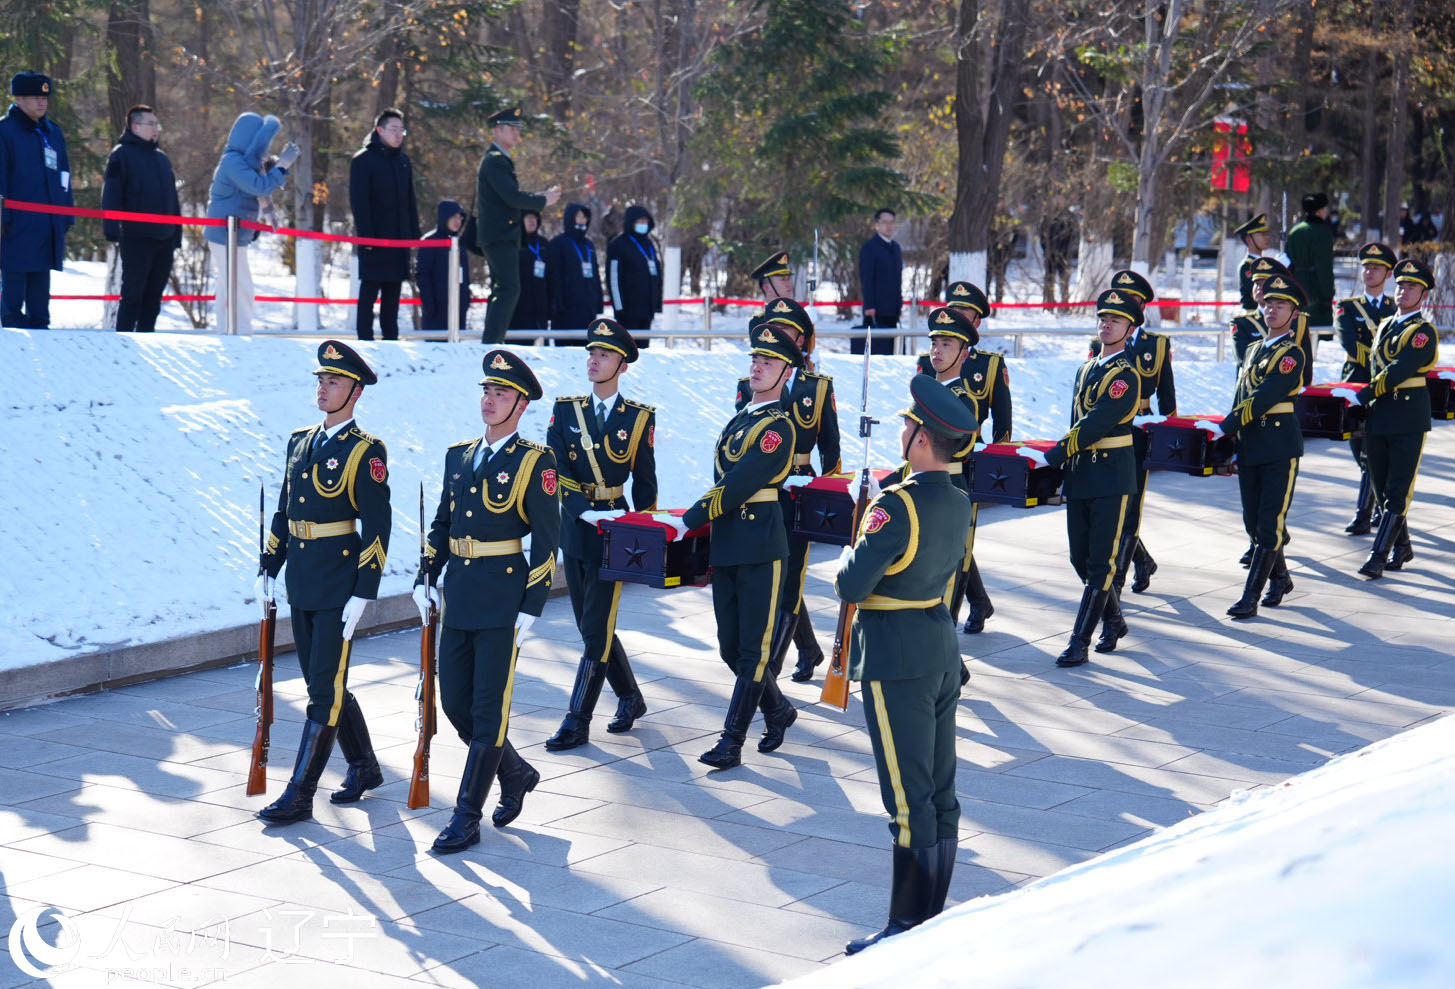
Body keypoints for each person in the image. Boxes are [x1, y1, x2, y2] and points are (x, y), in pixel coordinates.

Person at [835, 373, 976, 956]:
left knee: (906, 794)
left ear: (921, 438)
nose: (900, 430)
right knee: (940, 788)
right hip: (939, 647)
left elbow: (851, 582)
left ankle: (904, 927)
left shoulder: (895, 507)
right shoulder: (957, 499)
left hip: (895, 659)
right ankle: (931, 915)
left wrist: (855, 541)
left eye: (904, 425)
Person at [414, 350, 561, 852]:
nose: (489, 400)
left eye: (500, 393)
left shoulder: (534, 461)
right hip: (459, 593)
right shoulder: (459, 455)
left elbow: (546, 540)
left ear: (521, 404)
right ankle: (515, 771)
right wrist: (426, 574)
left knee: (488, 710)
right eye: (486, 391)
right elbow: (442, 523)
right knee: (456, 705)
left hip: (502, 596)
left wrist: (531, 605)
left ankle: (465, 816)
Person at [255, 341, 392, 824]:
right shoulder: (299, 441)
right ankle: (364, 766)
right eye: (320, 380)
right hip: (303, 581)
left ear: (354, 392)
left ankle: (299, 793)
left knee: (322, 691)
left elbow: (378, 526)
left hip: (338, 583)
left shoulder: (365, 450)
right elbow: (284, 509)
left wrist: (364, 589)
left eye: (333, 382)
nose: (323, 388)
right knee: (324, 681)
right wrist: (269, 565)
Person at [671, 323, 799, 770]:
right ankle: (778, 709)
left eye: (768, 363)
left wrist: (689, 518)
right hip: (728, 542)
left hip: (760, 545)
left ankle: (731, 742)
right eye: (755, 361)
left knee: (754, 650)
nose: (758, 368)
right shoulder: (741, 417)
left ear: (787, 373)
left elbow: (740, 482)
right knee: (730, 647)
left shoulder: (778, 428)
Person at [544, 319, 657, 750]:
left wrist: (643, 532)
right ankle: (630, 697)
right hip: (576, 530)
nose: (594, 360)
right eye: (591, 353)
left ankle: (577, 721)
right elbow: (555, 469)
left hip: (616, 532)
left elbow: (645, 484)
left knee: (595, 629)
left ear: (622, 366)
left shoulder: (639, 418)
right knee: (591, 626)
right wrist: (582, 511)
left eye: (605, 355)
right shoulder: (567, 410)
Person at [1020, 290, 1141, 666]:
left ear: (1130, 329)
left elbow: (1096, 423)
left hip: (1110, 476)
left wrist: (1054, 455)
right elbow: (1077, 421)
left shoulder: (1126, 376)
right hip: (1083, 473)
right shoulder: (1087, 369)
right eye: (1103, 319)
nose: (1106, 326)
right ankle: (1115, 619)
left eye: (1115, 321)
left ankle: (1079, 641)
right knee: (1079, 558)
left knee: (1101, 562)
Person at [1198, 275, 1307, 616]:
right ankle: (1282, 578)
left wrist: (1227, 425)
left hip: (1278, 445)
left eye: (1281, 306)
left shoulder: (1292, 355)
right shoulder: (1252, 349)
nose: (1272, 310)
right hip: (1251, 444)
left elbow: (1263, 398)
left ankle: (1250, 598)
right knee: (1253, 522)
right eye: (1268, 304)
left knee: (1269, 522)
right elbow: (1240, 395)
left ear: (1293, 313)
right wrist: (1229, 437)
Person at [1335, 259, 1439, 580]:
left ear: (1423, 295)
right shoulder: (1384, 325)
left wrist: (1363, 394)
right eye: (1401, 285)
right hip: (1380, 416)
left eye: (1412, 288)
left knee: (1397, 490)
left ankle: (1377, 556)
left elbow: (1397, 371)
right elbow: (1373, 364)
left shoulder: (1422, 332)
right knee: (1379, 488)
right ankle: (1403, 545)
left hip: (1407, 417)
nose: (1404, 292)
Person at [940, 281, 1009, 634]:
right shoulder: (931, 359)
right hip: (937, 461)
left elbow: (1003, 423)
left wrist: (994, 465)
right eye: (952, 310)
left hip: (970, 459)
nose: (956, 317)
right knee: (955, 542)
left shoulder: (991, 364)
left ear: (976, 322)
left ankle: (965, 610)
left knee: (960, 543)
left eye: (964, 313)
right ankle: (980, 601)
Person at [1105, 269, 1175, 601]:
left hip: (1141, 430)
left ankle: (1116, 580)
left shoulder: (1156, 345)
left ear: (1142, 307)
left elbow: (1168, 398)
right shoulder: (1101, 342)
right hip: (1108, 431)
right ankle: (1143, 560)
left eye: (1132, 301)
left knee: (1131, 505)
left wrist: (1170, 436)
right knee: (1112, 502)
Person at [204, 112, 296, 332]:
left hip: (234, 234)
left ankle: (227, 330)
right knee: (240, 285)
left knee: (229, 285)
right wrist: (282, 166)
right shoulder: (233, 162)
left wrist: (270, 211)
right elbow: (259, 186)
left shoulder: (246, 162)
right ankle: (240, 331)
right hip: (225, 234)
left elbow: (263, 187)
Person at [477, 106, 560, 343]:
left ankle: (492, 340)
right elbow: (512, 197)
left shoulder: (499, 160)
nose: (516, 134)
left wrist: (540, 197)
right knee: (509, 288)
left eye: (517, 129)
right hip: (500, 234)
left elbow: (511, 195)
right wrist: (543, 200)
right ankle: (492, 341)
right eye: (512, 129)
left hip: (501, 234)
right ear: (498, 130)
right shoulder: (495, 161)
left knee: (504, 288)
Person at [0, 73, 73, 329]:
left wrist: (66, 213)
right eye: (35, 97)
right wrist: (3, 218)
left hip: (47, 220)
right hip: (16, 221)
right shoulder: (5, 131)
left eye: (45, 97)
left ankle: (40, 322)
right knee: (15, 272)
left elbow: (64, 173)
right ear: (19, 98)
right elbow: (1, 175)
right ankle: (11, 323)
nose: (42, 103)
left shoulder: (52, 133)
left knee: (41, 275)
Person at [1335, 242, 1397, 535]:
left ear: (1387, 273)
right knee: (1359, 448)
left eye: (1376, 268)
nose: (1369, 272)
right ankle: (1378, 505)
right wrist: (1382, 362)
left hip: (1385, 387)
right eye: (1366, 267)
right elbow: (1348, 343)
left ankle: (1365, 513)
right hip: (1357, 385)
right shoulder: (1347, 308)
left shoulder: (1395, 308)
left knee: (1370, 453)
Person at [101, 104, 181, 333]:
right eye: (151, 124)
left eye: (157, 124)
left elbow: (173, 200)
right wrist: (111, 229)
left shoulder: (162, 159)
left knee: (154, 296)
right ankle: (123, 339)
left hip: (164, 238)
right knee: (133, 293)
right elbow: (111, 194)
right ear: (135, 127)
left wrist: (177, 234)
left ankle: (148, 336)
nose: (156, 129)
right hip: (136, 237)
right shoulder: (121, 155)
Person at [349, 109, 420, 341]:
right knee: (369, 291)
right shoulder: (363, 160)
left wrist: (413, 236)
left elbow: (410, 200)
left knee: (393, 294)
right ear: (379, 130)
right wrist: (366, 236)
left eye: (402, 130)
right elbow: (359, 202)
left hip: (399, 240)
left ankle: (391, 340)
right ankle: (364, 340)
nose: (399, 135)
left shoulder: (403, 161)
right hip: (374, 240)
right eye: (394, 129)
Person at [546, 201, 603, 345]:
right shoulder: (558, 244)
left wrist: (598, 300)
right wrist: (556, 303)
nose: (582, 220)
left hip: (588, 308)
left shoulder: (588, 245)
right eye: (578, 217)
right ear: (570, 218)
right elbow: (554, 277)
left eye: (585, 217)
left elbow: (595, 274)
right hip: (566, 309)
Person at [607, 204, 663, 343]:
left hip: (647, 309)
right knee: (627, 350)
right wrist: (619, 307)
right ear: (631, 222)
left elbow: (656, 273)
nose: (643, 224)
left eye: (646, 221)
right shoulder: (618, 244)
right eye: (640, 221)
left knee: (644, 349)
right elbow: (613, 278)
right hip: (628, 310)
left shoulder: (649, 244)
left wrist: (656, 302)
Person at [416, 200, 472, 331]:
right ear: (444, 217)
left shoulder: (460, 243)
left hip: (458, 310)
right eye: (453, 217)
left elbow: (464, 276)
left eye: (460, 217)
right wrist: (429, 304)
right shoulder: (430, 241)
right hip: (436, 311)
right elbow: (422, 275)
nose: (457, 221)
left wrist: (465, 301)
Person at [856, 208, 903, 355]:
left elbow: (897, 279)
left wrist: (898, 304)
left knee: (891, 351)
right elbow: (867, 279)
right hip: (876, 310)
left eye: (891, 222)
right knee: (877, 352)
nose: (889, 226)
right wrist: (869, 305)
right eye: (885, 222)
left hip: (893, 310)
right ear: (877, 225)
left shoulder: (895, 248)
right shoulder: (869, 248)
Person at [1285, 193, 1335, 327]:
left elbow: (1288, 261)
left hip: (1295, 287)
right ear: (1320, 211)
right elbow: (1324, 267)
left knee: (1296, 330)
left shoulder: (1295, 231)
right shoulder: (1323, 233)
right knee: (1314, 332)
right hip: (1315, 289)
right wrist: (1327, 296)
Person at [510, 209, 550, 331]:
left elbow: (551, 275)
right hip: (518, 304)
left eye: (534, 218)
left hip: (540, 304)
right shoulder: (513, 242)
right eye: (528, 218)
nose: (532, 221)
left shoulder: (544, 243)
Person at [1039, 196, 1077, 307]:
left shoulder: (1070, 216)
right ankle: (1049, 304)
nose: (1059, 201)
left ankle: (1064, 305)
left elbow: (1074, 235)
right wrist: (1047, 250)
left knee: (1064, 281)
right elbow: (1042, 235)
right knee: (1049, 280)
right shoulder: (1048, 216)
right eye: (1057, 199)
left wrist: (1067, 251)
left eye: (1062, 199)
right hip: (1050, 254)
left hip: (1064, 254)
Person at [1232, 213, 1272, 312]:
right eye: (1262, 234)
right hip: (1253, 316)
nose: (1267, 238)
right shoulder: (1246, 266)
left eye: (1266, 234)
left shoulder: (1266, 264)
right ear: (1249, 239)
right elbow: (1259, 294)